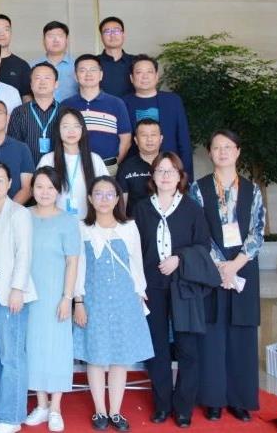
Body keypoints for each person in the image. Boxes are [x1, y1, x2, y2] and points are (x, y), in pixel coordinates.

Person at [189, 130, 264, 423]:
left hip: (244, 268)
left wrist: (236, 264)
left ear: (237, 152)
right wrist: (221, 265)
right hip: (212, 271)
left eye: (228, 147)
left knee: (242, 334)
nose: (222, 152)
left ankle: (240, 400)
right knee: (212, 334)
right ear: (210, 153)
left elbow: (258, 231)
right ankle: (213, 399)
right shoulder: (198, 188)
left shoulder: (252, 190)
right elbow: (198, 230)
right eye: (217, 147)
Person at [134, 152, 211, 428]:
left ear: (180, 176)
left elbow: (203, 245)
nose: (165, 176)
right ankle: (162, 404)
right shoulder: (142, 208)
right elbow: (134, 249)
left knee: (187, 347)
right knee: (157, 348)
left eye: (171, 171)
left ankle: (183, 408)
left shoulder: (192, 208)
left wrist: (179, 258)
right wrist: (137, 285)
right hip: (152, 286)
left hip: (184, 285)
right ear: (153, 176)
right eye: (160, 170)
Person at [73, 177, 153, 432]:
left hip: (124, 298)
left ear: (118, 198)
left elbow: (136, 263)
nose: (104, 199)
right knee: (95, 356)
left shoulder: (129, 227)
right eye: (99, 193)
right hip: (93, 300)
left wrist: (140, 293)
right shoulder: (81, 228)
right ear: (90, 198)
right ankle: (100, 411)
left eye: (110, 194)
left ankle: (116, 412)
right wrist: (78, 300)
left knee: (120, 357)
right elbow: (77, 267)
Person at [0, 161, 36, 433]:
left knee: (11, 357)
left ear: (10, 183)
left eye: (0, 180)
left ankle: (11, 417)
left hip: (10, 294)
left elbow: (24, 253)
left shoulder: (19, 213)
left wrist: (17, 289)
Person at [24, 167, 80, 433]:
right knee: (32, 347)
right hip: (28, 295)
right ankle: (41, 404)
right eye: (39, 187)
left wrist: (67, 297)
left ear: (58, 191)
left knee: (58, 348)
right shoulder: (23, 216)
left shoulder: (68, 221)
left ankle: (56, 407)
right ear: (32, 189)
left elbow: (72, 262)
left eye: (50, 187)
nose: (44, 192)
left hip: (57, 294)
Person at [123, 54, 194, 180]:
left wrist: (186, 177)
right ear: (131, 78)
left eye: (149, 72)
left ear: (156, 76)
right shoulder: (123, 103)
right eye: (139, 72)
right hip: (136, 172)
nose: (145, 76)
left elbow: (183, 140)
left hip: (170, 170)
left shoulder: (173, 101)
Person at [62, 54, 132, 171]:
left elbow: (126, 139)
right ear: (75, 76)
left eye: (93, 70)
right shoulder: (66, 105)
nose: (88, 74)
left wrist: (114, 164)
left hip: (108, 167)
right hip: (74, 167)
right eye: (83, 70)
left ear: (101, 75)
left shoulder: (116, 103)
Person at [36, 108, 108, 218]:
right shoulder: (47, 160)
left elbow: (106, 190)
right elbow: (38, 192)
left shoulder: (95, 159)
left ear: (82, 129)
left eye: (76, 126)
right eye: (65, 126)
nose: (71, 131)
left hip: (89, 222)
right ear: (58, 130)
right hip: (55, 222)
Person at [7, 62, 60, 165]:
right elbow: (13, 147)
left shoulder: (65, 112)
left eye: (47, 78)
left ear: (56, 84)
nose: (42, 82)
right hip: (27, 171)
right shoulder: (19, 112)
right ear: (31, 84)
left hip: (58, 170)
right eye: (37, 78)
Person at [115, 118, 163, 215]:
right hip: (135, 222)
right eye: (144, 135)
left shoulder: (171, 165)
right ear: (136, 140)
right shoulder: (126, 168)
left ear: (161, 138)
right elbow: (121, 208)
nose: (149, 139)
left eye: (153, 135)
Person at [31, 22, 76, 102]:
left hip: (71, 109)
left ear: (67, 40)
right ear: (43, 41)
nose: (56, 40)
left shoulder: (77, 66)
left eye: (60, 36)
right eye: (51, 36)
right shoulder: (32, 66)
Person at [98, 17, 135, 99]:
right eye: (107, 31)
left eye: (116, 31)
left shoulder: (136, 62)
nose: (112, 35)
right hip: (102, 107)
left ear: (123, 35)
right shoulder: (93, 63)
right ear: (101, 37)